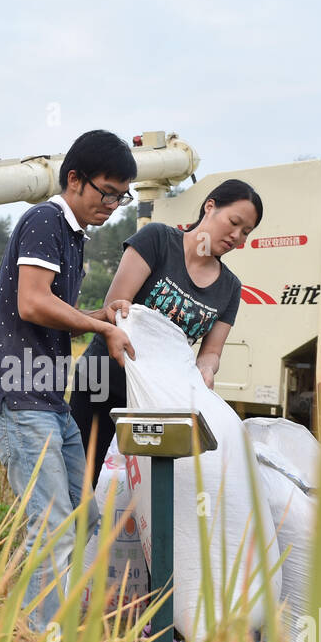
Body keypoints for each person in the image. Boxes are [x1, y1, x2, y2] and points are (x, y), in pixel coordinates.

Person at [0, 130, 138, 636]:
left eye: (121, 196)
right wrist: (100, 326)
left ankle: (32, 617)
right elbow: (32, 302)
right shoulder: (46, 220)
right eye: (107, 192)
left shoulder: (71, 235)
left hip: (49, 400)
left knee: (82, 517)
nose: (113, 205)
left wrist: (100, 314)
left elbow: (54, 312)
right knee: (51, 530)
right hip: (20, 398)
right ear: (74, 179)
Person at [70, 179, 261, 488]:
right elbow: (115, 308)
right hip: (104, 378)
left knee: (159, 487)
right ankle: (67, 535)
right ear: (210, 207)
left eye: (246, 232)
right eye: (234, 223)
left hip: (158, 401)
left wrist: (206, 371)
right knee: (80, 478)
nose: (236, 236)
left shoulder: (230, 288)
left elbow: (211, 352)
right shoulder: (158, 240)